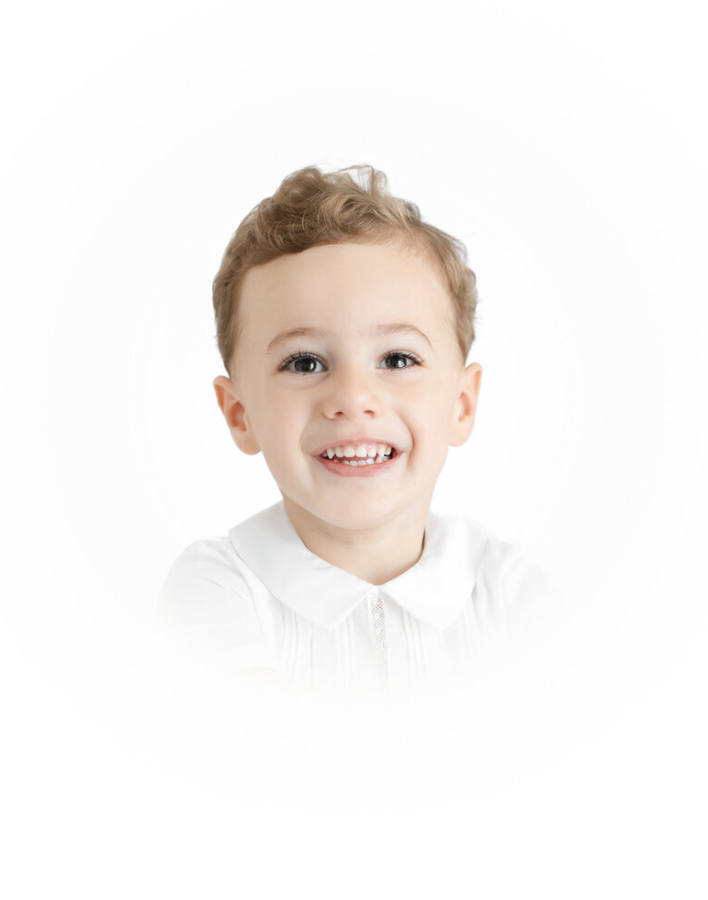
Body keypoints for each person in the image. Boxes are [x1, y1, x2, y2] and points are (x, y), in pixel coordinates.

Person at [158, 164, 556, 699]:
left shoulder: (510, 592)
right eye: (303, 363)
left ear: (461, 405)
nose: (352, 399)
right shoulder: (216, 591)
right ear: (240, 415)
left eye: (396, 358)